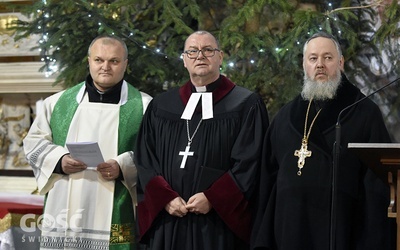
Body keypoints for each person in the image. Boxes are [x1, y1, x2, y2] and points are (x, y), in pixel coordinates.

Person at [251, 32, 395, 250]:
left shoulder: (363, 112)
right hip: (289, 229)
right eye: (313, 58)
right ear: (304, 64)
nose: (320, 65)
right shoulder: (284, 117)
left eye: (327, 58)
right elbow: (267, 183)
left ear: (340, 62)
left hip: (341, 230)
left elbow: (377, 187)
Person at [134, 30, 269, 250]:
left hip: (217, 224)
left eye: (208, 50)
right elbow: (145, 159)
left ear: (220, 57)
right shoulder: (161, 106)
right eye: (193, 51)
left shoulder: (245, 104)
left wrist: (213, 198)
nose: (200, 56)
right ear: (185, 60)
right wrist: (165, 197)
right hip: (169, 219)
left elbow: (250, 162)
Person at [23, 35, 152, 249]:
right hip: (65, 203)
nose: (105, 67)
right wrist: (59, 160)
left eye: (114, 61)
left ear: (125, 64)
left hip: (117, 203)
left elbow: (154, 153)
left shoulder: (145, 107)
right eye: (99, 60)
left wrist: (122, 166)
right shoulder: (56, 104)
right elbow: (33, 143)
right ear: (89, 61)